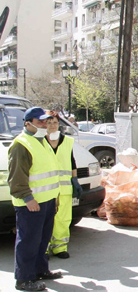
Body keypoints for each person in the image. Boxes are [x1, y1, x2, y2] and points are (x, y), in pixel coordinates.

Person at [9, 107, 63, 292]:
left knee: (42, 240)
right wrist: (28, 198)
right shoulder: (21, 145)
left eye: (46, 121)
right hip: (32, 203)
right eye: (40, 121)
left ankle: (41, 270)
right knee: (29, 241)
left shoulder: (42, 141)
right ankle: (24, 279)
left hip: (47, 201)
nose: (44, 124)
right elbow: (17, 178)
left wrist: (54, 199)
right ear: (28, 123)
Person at [44, 111, 83, 259]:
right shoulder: (40, 141)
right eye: (49, 122)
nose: (52, 126)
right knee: (47, 219)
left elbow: (72, 161)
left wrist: (75, 179)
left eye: (54, 122)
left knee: (63, 218)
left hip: (64, 188)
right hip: (46, 188)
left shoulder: (67, 141)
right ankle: (45, 248)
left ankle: (60, 247)